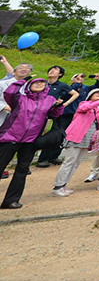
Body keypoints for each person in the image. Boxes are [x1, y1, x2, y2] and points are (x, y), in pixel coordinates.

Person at [0, 78, 66, 208]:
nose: (39, 84)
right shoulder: (20, 98)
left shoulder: (50, 100)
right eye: (35, 83)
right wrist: (21, 81)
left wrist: (59, 107)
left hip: (31, 141)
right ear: (29, 86)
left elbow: (55, 115)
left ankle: (11, 200)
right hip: (10, 137)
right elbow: (9, 93)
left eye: (42, 83)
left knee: (22, 170)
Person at [51, 87, 99, 196]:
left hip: (87, 139)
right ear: (90, 95)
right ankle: (57, 186)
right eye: (97, 93)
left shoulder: (98, 109)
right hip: (76, 136)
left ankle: (64, 184)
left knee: (76, 163)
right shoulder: (83, 104)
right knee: (69, 162)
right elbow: (87, 107)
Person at [35, 65, 72, 167]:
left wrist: (65, 103)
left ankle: (41, 159)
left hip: (48, 115)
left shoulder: (61, 85)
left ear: (60, 74)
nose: (51, 71)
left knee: (43, 135)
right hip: (34, 112)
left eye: (55, 70)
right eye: (50, 69)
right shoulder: (42, 83)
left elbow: (75, 94)